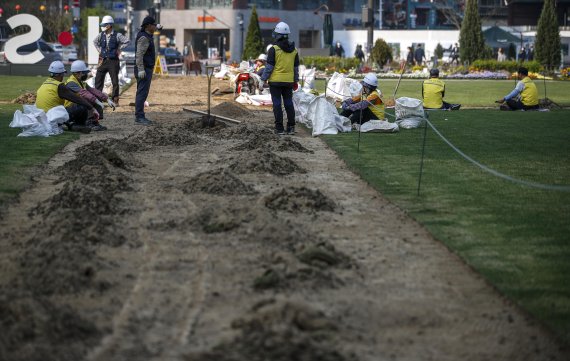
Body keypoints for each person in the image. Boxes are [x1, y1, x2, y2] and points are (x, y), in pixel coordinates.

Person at [35, 61, 98, 133]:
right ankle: (79, 125)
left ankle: (71, 125)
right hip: (53, 117)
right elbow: (76, 99)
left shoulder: (44, 84)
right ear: (60, 74)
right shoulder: (59, 85)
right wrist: (92, 108)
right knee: (81, 105)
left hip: (42, 118)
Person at [260, 22, 299, 135]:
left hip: (276, 82)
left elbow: (269, 67)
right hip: (288, 82)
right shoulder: (294, 50)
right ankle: (291, 127)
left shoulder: (274, 49)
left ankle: (279, 128)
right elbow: (296, 68)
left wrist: (263, 79)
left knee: (277, 104)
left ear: (278, 35)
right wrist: (295, 81)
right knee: (288, 103)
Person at [64, 60, 116, 131]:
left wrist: (107, 99)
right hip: (70, 109)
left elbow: (94, 91)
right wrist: (98, 102)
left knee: (95, 96)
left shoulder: (81, 82)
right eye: (84, 73)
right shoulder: (71, 83)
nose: (86, 74)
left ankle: (94, 122)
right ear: (78, 73)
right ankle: (89, 122)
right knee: (86, 99)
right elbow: (84, 93)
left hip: (78, 107)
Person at [93, 15, 130, 106]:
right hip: (102, 60)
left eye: (104, 24)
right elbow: (94, 42)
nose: (103, 26)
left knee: (114, 81)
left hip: (113, 61)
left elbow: (127, 41)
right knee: (98, 80)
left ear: (109, 25)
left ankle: (115, 99)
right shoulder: (101, 35)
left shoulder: (118, 35)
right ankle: (98, 100)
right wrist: (99, 50)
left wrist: (120, 48)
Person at [134, 16, 162, 125]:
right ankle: (139, 116)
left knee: (142, 93)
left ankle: (139, 115)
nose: (155, 26)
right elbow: (139, 55)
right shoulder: (144, 38)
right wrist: (141, 69)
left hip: (146, 69)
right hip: (144, 69)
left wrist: (157, 27)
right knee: (142, 93)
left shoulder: (147, 35)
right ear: (148, 26)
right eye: (153, 25)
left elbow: (154, 29)